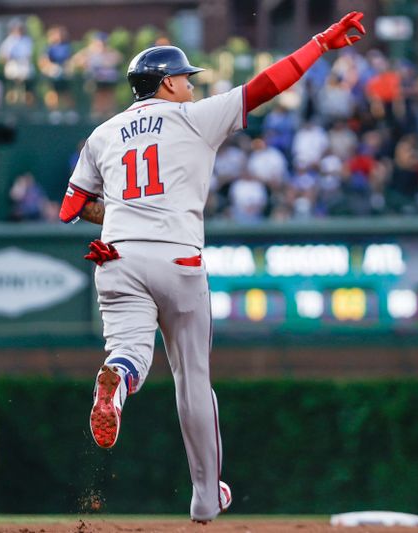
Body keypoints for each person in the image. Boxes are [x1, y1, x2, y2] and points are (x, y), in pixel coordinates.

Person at [57, 12, 365, 523]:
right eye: (187, 78)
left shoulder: (103, 133)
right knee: (192, 379)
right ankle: (204, 497)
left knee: (130, 352)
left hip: (117, 257)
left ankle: (116, 378)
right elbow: (271, 81)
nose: (192, 85)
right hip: (177, 257)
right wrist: (319, 44)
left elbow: (72, 208)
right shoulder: (194, 118)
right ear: (169, 82)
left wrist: (125, 213)